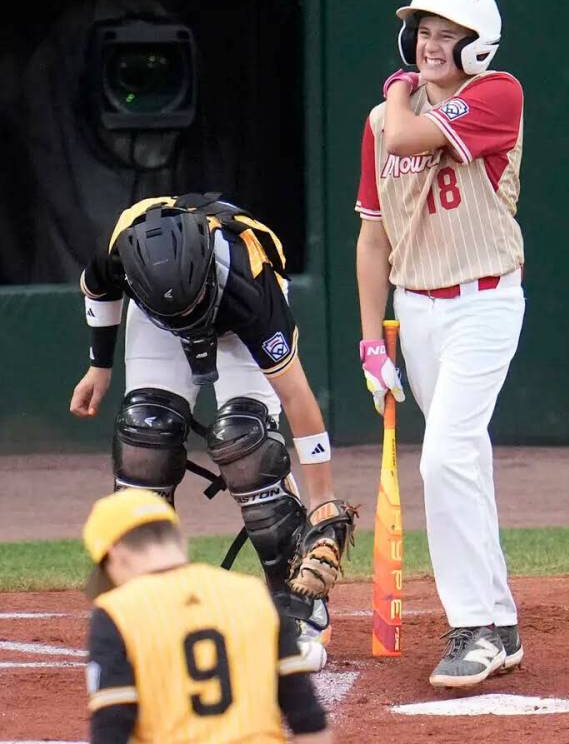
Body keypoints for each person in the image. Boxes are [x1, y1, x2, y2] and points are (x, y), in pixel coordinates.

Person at [70, 192, 356, 651]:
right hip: (151, 319)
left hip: (233, 318)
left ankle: (295, 604)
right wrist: (98, 366)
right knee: (146, 432)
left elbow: (298, 397)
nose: (186, 318)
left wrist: (323, 497)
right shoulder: (121, 250)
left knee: (246, 442)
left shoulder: (249, 281)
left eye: (190, 304)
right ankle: (144, 602)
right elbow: (97, 288)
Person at [354, 0, 526, 688]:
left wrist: (396, 92)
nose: (429, 43)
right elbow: (371, 238)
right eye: (422, 31)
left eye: (446, 33)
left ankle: (475, 628)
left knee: (445, 457)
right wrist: (371, 340)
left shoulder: (497, 93)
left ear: (476, 45)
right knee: (464, 463)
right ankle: (502, 620)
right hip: (415, 308)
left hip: (483, 302)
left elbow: (409, 130)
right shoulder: (380, 121)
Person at [83, 489, 332, 743]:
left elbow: (111, 726)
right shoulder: (254, 594)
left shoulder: (116, 611)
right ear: (180, 539)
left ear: (115, 553)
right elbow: (309, 723)